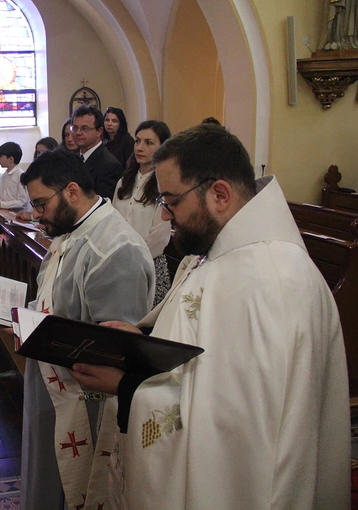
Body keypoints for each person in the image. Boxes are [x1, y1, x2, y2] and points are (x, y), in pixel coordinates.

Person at [69, 123, 350, 508]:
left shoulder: (267, 280)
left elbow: (238, 437)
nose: (166, 217)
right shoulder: (224, 256)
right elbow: (206, 363)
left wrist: (126, 386)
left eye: (171, 201)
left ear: (219, 194)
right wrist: (139, 342)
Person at [18, 149, 154, 510]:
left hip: (86, 408)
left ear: (73, 192)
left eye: (41, 204)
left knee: (79, 489)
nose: (36, 215)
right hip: (52, 387)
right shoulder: (72, 232)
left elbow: (115, 351)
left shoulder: (114, 249)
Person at [112, 120, 173, 306]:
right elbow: (113, 221)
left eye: (149, 143)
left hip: (148, 265)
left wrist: (132, 260)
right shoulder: (124, 182)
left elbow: (159, 237)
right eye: (137, 141)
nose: (140, 147)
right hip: (119, 262)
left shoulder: (164, 184)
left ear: (162, 147)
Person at [71, 105, 124, 200]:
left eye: (84, 128)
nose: (78, 133)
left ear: (99, 131)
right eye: (75, 128)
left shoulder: (109, 165)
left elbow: (103, 206)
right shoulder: (73, 159)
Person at [0, 141, 30, 211]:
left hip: (18, 215)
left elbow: (23, 202)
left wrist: (2, 204)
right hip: (6, 213)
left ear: (11, 159)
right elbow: (0, 196)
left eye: (1, 156)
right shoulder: (4, 175)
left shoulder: (21, 175)